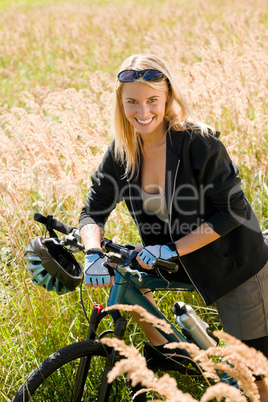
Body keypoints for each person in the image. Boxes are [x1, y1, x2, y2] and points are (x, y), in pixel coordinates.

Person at [79, 54, 268, 399]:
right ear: (120, 103)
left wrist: (171, 248)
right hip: (172, 258)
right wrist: (92, 251)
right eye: (132, 101)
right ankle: (177, 355)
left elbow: (232, 211)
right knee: (128, 275)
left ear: (167, 98)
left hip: (233, 262)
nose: (143, 112)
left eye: (152, 100)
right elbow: (92, 213)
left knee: (253, 379)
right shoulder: (122, 152)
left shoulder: (199, 143)